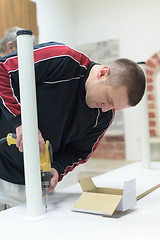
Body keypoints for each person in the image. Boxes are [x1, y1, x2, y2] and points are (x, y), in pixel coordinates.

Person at [0, 41, 146, 209]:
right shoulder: (63, 59)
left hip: (31, 187)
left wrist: (56, 168)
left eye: (114, 107)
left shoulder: (104, 116)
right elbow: (3, 69)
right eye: (108, 100)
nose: (106, 109)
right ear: (103, 73)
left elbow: (78, 152)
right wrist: (21, 122)